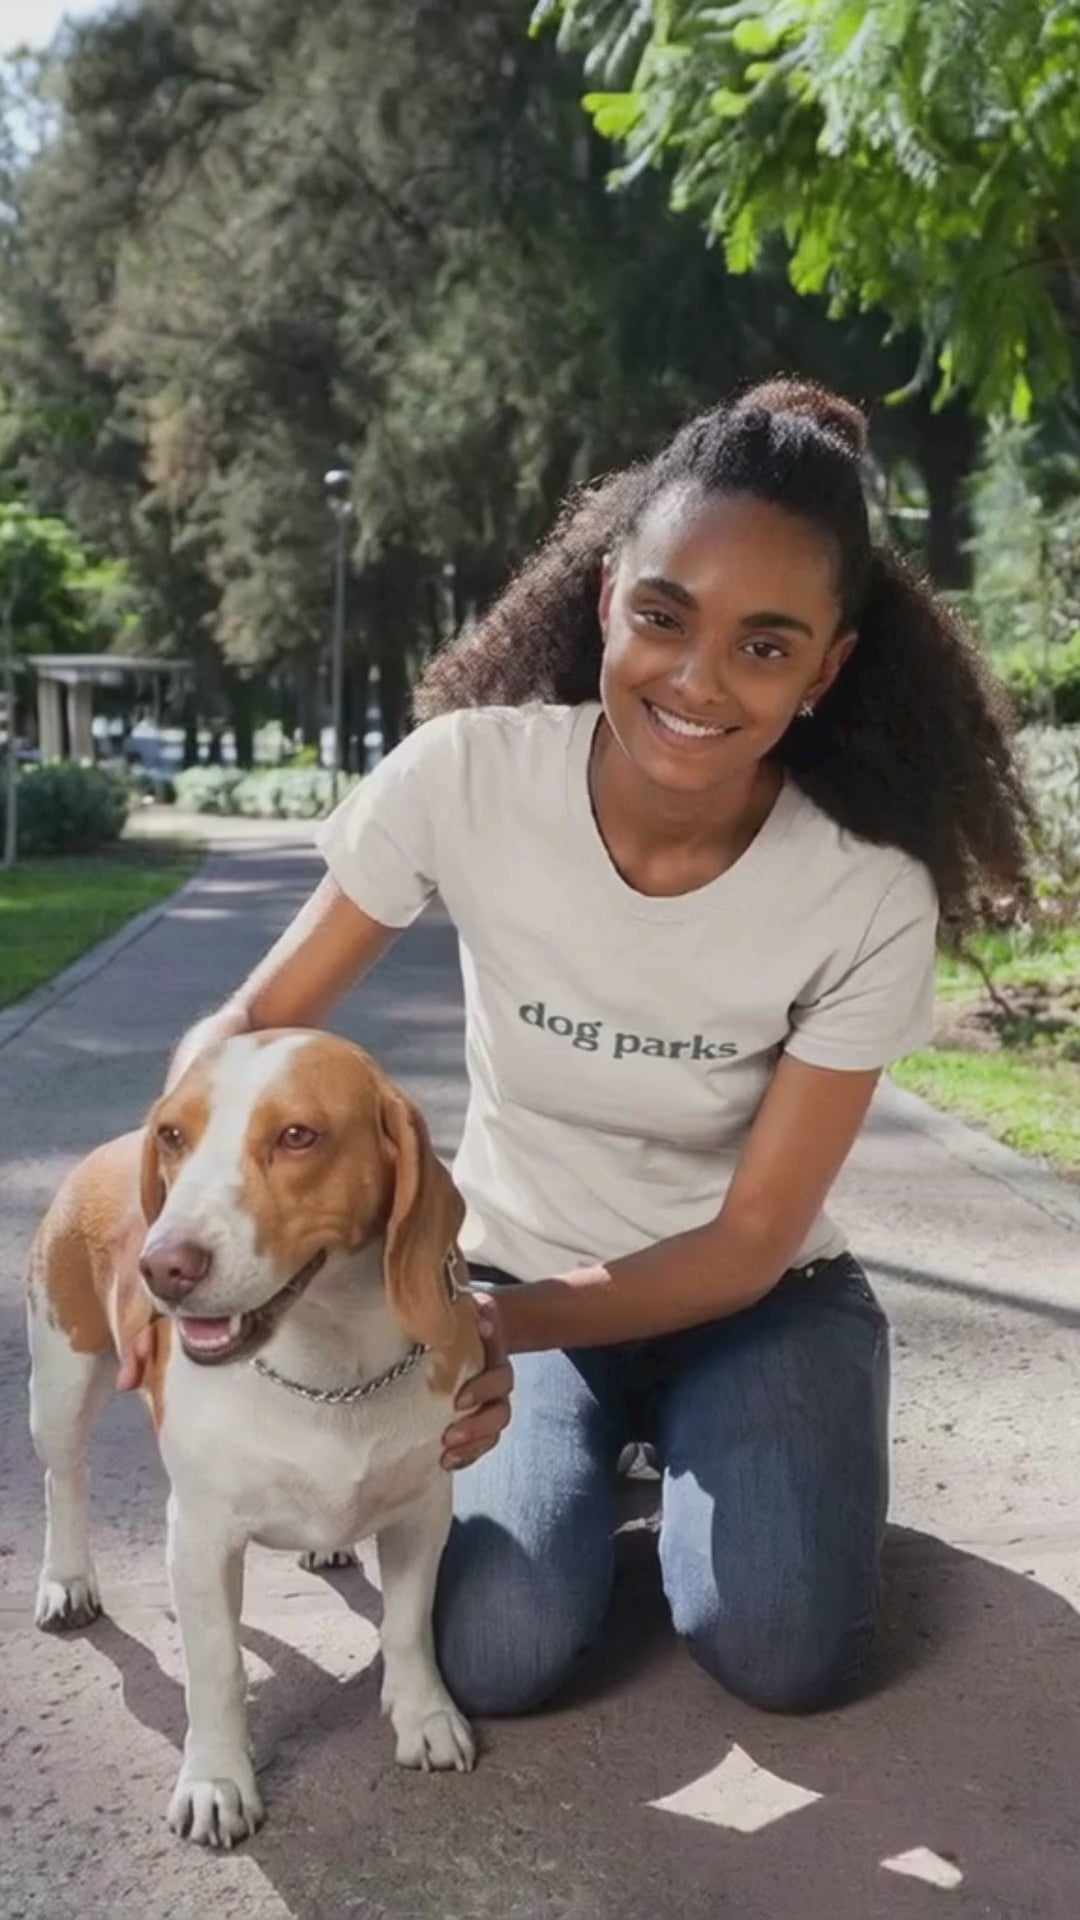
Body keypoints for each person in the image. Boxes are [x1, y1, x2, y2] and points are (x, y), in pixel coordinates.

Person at [123, 379, 1031, 1718]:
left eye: (764, 647)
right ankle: (620, 1458)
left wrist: (483, 1330)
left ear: (826, 668)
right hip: (517, 1270)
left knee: (783, 1650)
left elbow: (748, 1240)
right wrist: (171, 1215)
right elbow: (248, 1028)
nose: (697, 678)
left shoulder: (862, 890)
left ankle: (775, 1460)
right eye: (664, 616)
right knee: (494, 1653)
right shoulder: (469, 778)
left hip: (753, 1304)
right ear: (608, 593)